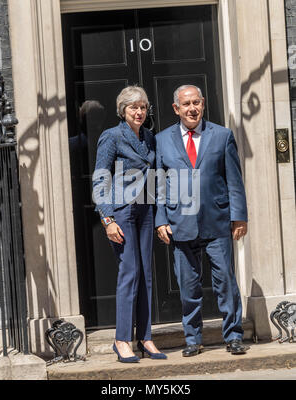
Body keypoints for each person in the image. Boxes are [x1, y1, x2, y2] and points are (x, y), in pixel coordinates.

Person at [155, 84, 249, 356]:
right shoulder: (162, 140)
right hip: (180, 223)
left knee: (226, 283)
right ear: (176, 108)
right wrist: (161, 219)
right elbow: (158, 185)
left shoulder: (222, 136)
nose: (192, 109)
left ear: (203, 104)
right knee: (188, 286)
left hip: (217, 221)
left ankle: (233, 336)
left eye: (196, 103)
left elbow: (234, 179)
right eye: (186, 104)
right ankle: (193, 339)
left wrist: (239, 216)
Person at [92, 86, 167, 363]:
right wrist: (107, 219)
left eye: (143, 107)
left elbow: (156, 176)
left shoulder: (149, 138)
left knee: (146, 273)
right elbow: (100, 179)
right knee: (130, 272)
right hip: (122, 212)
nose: (139, 112)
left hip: (145, 210)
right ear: (123, 110)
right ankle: (121, 339)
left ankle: (145, 338)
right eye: (133, 107)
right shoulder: (111, 137)